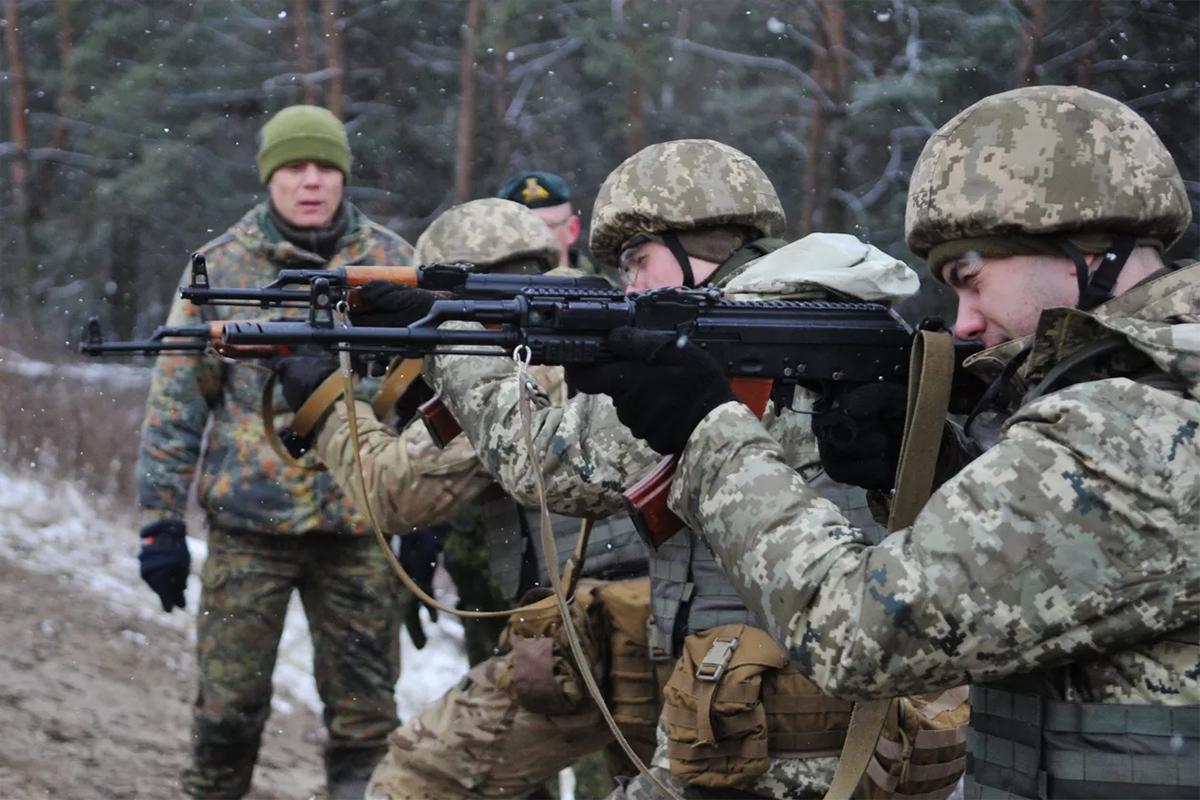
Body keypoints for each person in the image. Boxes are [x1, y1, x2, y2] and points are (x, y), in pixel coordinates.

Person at [570, 87, 1199, 800]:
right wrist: (927, 464)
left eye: (969, 279)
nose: (961, 323)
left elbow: (857, 636)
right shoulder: (1154, 397)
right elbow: (1054, 585)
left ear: (1082, 244)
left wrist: (708, 434)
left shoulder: (1135, 427)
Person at [419, 139, 968, 799]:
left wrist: (453, 342)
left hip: (777, 729)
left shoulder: (741, 349)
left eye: (637, 261)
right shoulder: (818, 319)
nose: (631, 287)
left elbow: (544, 461)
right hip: (772, 710)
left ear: (688, 248)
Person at [269, 197, 658, 799]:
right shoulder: (605, 318)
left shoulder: (510, 352)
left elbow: (397, 492)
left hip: (601, 634)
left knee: (416, 779)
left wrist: (322, 405)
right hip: (670, 624)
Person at [135, 105, 416, 799]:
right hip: (248, 531)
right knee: (227, 714)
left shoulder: (395, 264)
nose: (312, 182)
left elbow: (428, 399)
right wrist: (160, 523)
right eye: (295, 168)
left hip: (362, 526)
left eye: (325, 167)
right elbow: (176, 403)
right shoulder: (219, 267)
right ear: (270, 178)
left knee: (366, 723)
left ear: (344, 176)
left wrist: (427, 514)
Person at [498, 169, 617, 283]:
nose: (531, 238)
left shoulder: (606, 294)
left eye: (543, 227)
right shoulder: (490, 292)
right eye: (520, 229)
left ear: (572, 230)